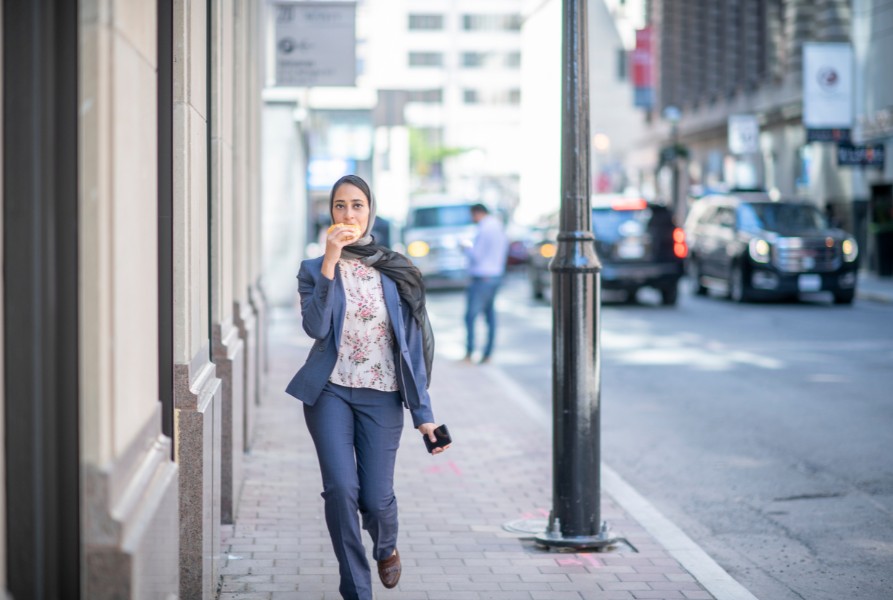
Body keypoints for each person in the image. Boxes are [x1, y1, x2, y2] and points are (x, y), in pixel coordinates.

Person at [285, 174, 448, 600]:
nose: (348, 214)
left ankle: (386, 544)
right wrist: (330, 261)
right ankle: (357, 589)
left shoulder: (395, 270)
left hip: (382, 395)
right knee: (341, 490)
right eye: (340, 205)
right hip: (329, 393)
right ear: (330, 212)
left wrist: (425, 416)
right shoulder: (313, 270)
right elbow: (315, 327)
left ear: (370, 211)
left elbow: (412, 348)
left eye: (357, 205)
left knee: (375, 499)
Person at [463, 203, 508, 364]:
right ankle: (487, 354)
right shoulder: (498, 226)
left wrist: (465, 247)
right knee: (490, 316)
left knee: (470, 316)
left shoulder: (484, 228)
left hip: (482, 276)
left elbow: (477, 255)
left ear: (477, 213)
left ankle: (470, 353)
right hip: (495, 274)